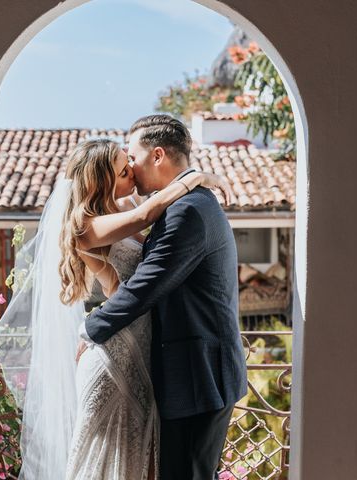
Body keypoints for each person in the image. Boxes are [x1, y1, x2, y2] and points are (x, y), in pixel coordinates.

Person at [0, 133, 229, 480]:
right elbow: (149, 213)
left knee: (140, 459)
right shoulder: (85, 226)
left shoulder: (120, 209)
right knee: (104, 459)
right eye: (122, 172)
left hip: (141, 346)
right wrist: (198, 178)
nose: (132, 173)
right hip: (116, 352)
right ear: (102, 181)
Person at [79, 115, 248, 480]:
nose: (131, 166)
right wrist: (197, 177)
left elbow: (145, 286)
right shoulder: (183, 204)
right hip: (184, 370)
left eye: (134, 157)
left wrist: (89, 330)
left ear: (157, 155)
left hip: (198, 376)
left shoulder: (187, 211)